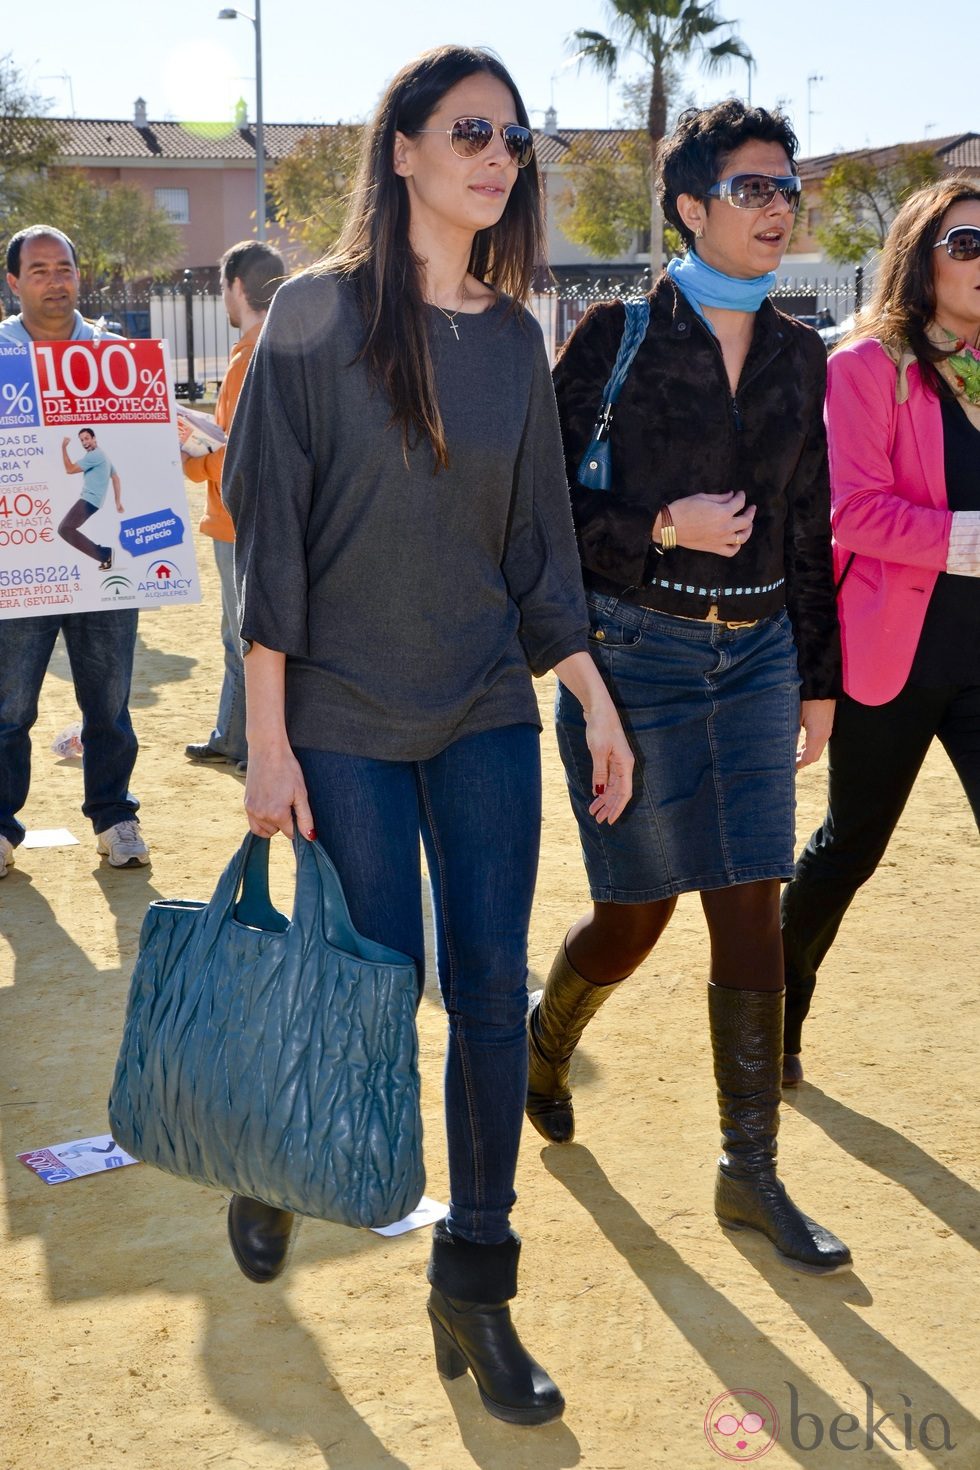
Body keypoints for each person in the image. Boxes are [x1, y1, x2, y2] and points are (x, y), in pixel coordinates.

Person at [221, 45, 633, 1426]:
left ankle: (477, 1280)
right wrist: (266, 743)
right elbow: (269, 545)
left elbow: (539, 550)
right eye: (470, 130)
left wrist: (587, 690)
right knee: (371, 989)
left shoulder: (517, 337)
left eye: (516, 139)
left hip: (477, 713)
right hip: (337, 716)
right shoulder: (314, 319)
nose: (498, 156)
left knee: (491, 994)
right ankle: (280, 1156)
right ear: (399, 149)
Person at [528, 100, 852, 1274]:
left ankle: (747, 1169)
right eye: (754, 188)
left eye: (786, 187)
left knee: (750, 899)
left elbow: (807, 521)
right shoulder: (615, 333)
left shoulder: (797, 348)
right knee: (636, 916)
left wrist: (817, 676)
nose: (778, 207)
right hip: (634, 660)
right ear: (690, 206)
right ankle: (546, 1041)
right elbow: (545, 522)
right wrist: (661, 524)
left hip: (760, 655)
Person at [780, 180, 980, 1081]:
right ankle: (776, 1012)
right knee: (850, 847)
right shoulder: (864, 367)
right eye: (968, 244)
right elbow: (854, 513)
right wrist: (963, 540)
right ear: (921, 256)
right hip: (891, 660)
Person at [0, 226, 149, 875]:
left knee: (109, 701)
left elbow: (140, 461)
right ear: (13, 282)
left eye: (64, 268)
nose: (55, 281)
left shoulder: (116, 356)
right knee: (7, 706)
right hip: (18, 567)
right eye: (39, 270)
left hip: (101, 570)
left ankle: (116, 818)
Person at [180, 239, 284, 774]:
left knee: (245, 636)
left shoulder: (251, 355)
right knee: (242, 634)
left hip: (237, 519)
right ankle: (232, 735)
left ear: (236, 286)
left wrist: (193, 459)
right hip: (252, 516)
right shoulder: (273, 346)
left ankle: (246, 743)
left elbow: (236, 456)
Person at [59, 428, 123, 568]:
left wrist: (63, 448)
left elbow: (69, 469)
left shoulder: (94, 456)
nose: (84, 442)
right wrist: (118, 502)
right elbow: (116, 478)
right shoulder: (103, 455)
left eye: (87, 438)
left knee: (64, 529)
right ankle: (105, 555)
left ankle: (105, 554)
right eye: (82, 440)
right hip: (94, 501)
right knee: (66, 528)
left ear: (94, 438)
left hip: (89, 500)